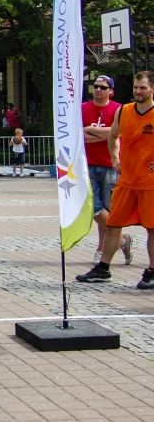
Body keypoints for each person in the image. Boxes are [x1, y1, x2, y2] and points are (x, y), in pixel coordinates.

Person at [76, 71, 154, 289]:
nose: (138, 91)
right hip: (126, 179)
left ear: (152, 90)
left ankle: (152, 271)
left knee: (152, 229)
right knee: (113, 224)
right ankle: (103, 268)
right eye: (136, 87)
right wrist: (115, 158)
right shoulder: (124, 111)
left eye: (143, 88)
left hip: (149, 182)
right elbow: (113, 136)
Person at [82, 75, 132, 264]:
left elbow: (121, 133)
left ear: (111, 91)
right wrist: (108, 134)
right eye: (95, 86)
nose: (98, 90)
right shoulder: (83, 108)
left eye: (103, 87)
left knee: (108, 208)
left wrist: (91, 130)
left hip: (111, 163)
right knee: (93, 208)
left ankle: (103, 248)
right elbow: (80, 136)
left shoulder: (119, 109)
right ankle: (121, 239)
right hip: (88, 164)